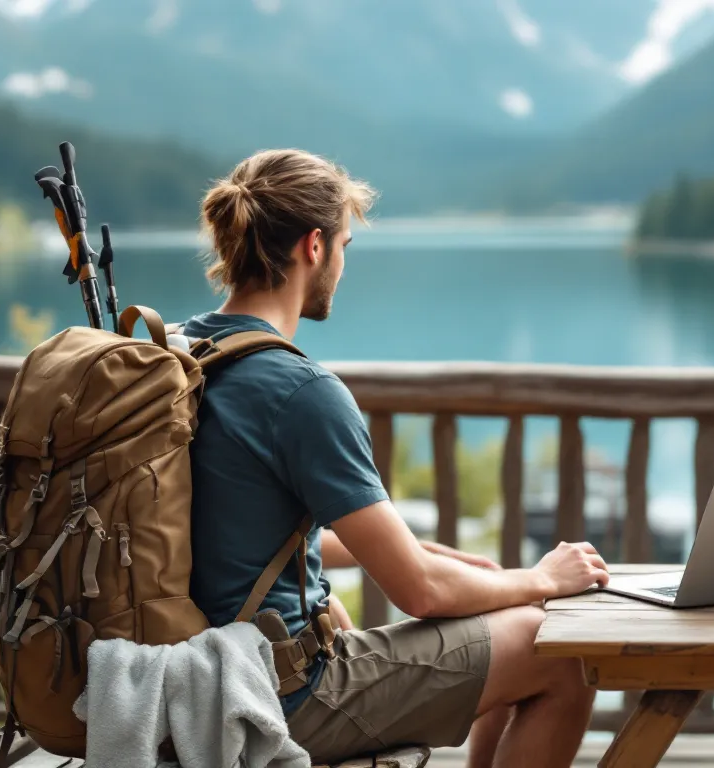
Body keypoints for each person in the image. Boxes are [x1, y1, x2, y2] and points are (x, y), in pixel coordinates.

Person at [182, 148, 608, 768]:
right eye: (345, 245)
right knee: (556, 650)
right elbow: (422, 594)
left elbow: (230, 533)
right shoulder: (299, 392)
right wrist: (543, 579)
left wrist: (419, 551)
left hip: (202, 670)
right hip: (281, 694)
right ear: (314, 247)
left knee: (490, 599)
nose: (343, 265)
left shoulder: (185, 353)